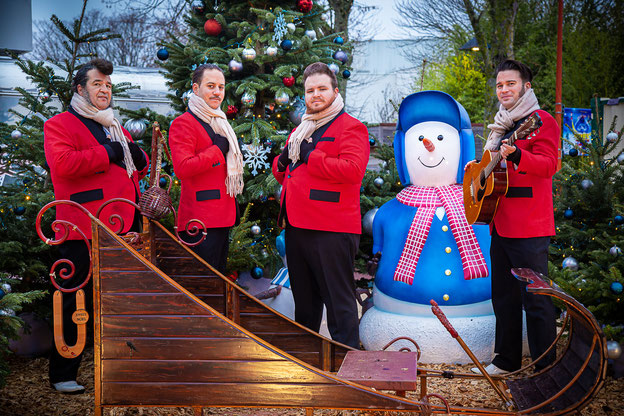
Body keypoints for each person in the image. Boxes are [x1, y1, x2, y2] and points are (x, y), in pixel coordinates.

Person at [44, 58, 148, 393]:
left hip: (121, 225)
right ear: (80, 88)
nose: (104, 90)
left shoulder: (112, 124)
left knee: (119, 300)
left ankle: (119, 368)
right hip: (81, 228)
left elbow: (128, 165)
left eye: (108, 85)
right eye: (97, 84)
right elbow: (63, 165)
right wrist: (109, 151)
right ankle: (63, 374)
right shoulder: (60, 124)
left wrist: (136, 156)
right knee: (76, 298)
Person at [469, 59, 559, 375]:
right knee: (503, 298)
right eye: (500, 85)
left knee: (536, 301)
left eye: (511, 83)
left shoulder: (540, 120)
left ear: (526, 86)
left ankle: (545, 367)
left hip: (531, 226)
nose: (504, 89)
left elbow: (549, 165)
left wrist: (518, 154)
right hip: (501, 223)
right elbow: (490, 173)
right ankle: (505, 360)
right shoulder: (501, 126)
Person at [272, 62, 370, 348]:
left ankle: (345, 360)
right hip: (297, 227)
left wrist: (310, 155)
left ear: (335, 91)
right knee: (305, 304)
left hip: (332, 228)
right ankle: (308, 360)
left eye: (321, 89)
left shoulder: (352, 127)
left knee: (338, 302)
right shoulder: (301, 128)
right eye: (310, 90)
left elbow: (352, 170)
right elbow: (288, 174)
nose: (315, 95)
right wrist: (281, 163)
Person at [169, 64, 244, 273]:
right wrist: (216, 151)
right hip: (199, 220)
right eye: (210, 86)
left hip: (223, 217)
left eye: (221, 87)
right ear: (195, 88)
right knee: (203, 286)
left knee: (217, 283)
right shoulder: (183, 123)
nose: (217, 92)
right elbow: (182, 168)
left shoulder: (221, 121)